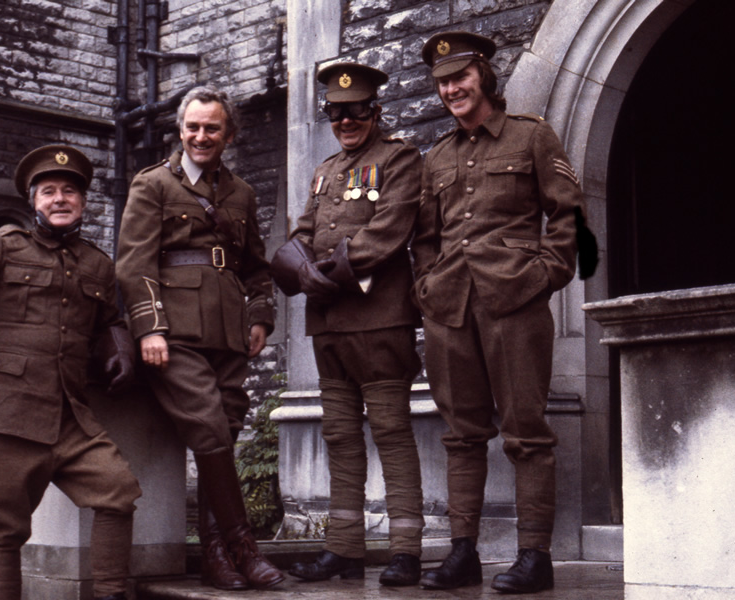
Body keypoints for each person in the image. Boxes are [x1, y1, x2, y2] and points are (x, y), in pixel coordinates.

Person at [0, 145, 142, 600]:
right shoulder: (4, 247)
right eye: (49, 192)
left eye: (70, 192)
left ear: (83, 202)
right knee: (2, 529)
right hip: (6, 412)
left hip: (70, 416)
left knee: (118, 492)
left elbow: (108, 323)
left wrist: (120, 352)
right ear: (33, 201)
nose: (60, 199)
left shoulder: (99, 264)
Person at [411, 31, 585, 594]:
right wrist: (428, 288)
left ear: (484, 75)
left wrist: (543, 276)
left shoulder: (531, 137)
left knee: (526, 432)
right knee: (460, 435)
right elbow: (426, 238)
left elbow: (568, 217)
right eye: (442, 82)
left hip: (514, 304)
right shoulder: (436, 156)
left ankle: (535, 556)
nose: (451, 89)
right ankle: (462, 554)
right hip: (450, 311)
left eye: (460, 77)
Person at [114, 86, 283, 591]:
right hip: (176, 333)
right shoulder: (153, 185)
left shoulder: (241, 193)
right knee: (209, 429)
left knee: (226, 432)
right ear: (180, 131)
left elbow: (255, 266)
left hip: (229, 332)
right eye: (193, 127)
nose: (201, 136)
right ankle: (243, 549)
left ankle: (216, 557)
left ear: (228, 134)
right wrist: (150, 327)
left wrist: (260, 317)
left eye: (212, 128)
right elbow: (133, 262)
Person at [271, 62, 425, 587]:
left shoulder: (400, 159)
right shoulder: (326, 170)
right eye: (336, 114)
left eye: (355, 111)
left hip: (379, 319)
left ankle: (406, 549)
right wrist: (300, 268)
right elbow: (303, 230)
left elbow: (389, 231)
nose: (345, 122)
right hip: (330, 325)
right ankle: (344, 548)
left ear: (374, 111)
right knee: (338, 433)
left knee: (391, 431)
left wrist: (324, 273)